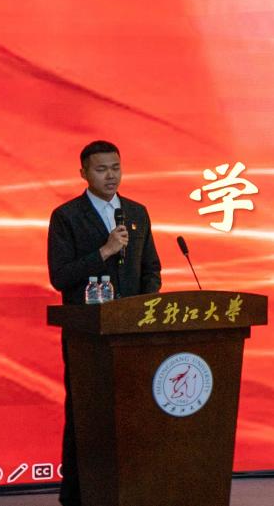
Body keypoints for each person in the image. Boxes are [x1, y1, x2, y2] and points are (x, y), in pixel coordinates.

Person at [47, 140, 162, 506]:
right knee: (87, 412)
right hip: (89, 336)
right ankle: (78, 496)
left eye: (115, 168)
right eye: (101, 169)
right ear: (83, 173)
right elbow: (60, 277)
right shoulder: (66, 216)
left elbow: (151, 269)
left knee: (135, 411)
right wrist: (105, 251)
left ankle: (133, 490)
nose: (110, 176)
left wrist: (143, 306)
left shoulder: (136, 212)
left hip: (132, 333)